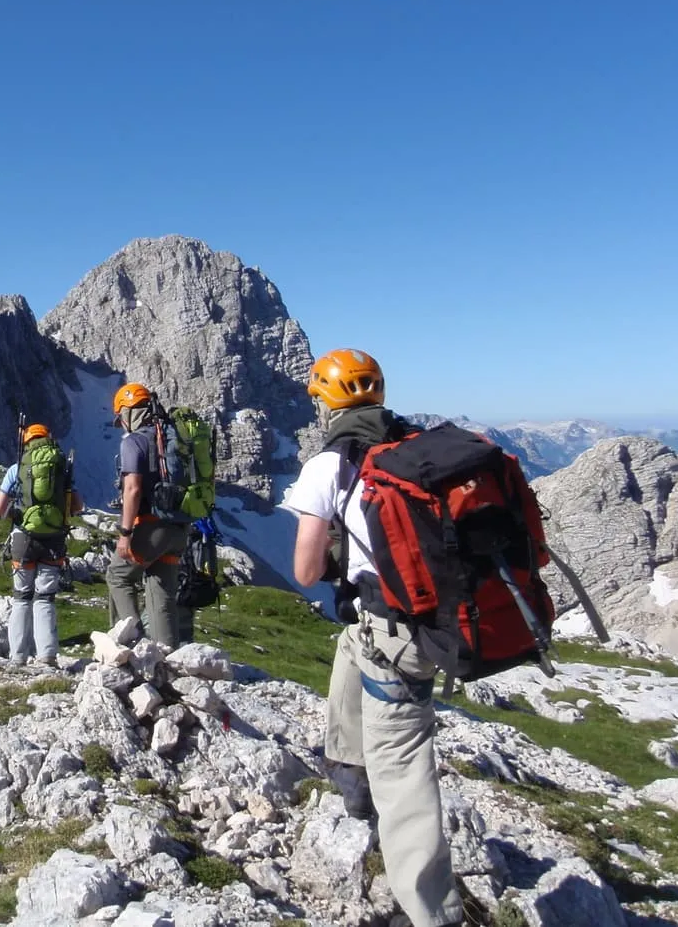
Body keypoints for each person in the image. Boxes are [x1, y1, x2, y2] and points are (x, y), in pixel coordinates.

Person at [282, 348, 463, 927]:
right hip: (409, 621)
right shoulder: (414, 446)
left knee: (405, 767)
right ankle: (352, 789)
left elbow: (306, 572)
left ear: (327, 401)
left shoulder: (329, 465)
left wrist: (336, 544)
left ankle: (430, 911)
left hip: (396, 630)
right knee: (348, 656)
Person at [105, 383, 191, 647]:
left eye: (121, 418)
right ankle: (167, 657)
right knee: (161, 590)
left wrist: (125, 534)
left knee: (118, 575)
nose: (122, 425)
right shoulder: (172, 435)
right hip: (180, 527)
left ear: (128, 412)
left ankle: (132, 647)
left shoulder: (135, 441)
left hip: (151, 526)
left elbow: (132, 490)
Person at [0, 423, 83, 666]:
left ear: (26, 442)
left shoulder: (17, 468)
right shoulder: (61, 468)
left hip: (23, 539)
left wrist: (17, 512)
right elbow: (77, 507)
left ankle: (18, 657)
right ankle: (47, 656)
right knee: (45, 598)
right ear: (48, 439)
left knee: (21, 598)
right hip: (53, 540)